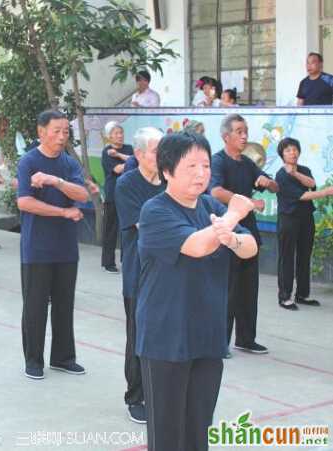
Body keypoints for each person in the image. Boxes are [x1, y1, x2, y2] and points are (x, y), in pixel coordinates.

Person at [137, 131, 257, 451]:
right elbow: (196, 245)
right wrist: (233, 214)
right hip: (166, 337)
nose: (201, 173)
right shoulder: (155, 211)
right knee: (167, 435)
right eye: (191, 166)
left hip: (207, 335)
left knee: (198, 432)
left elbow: (250, 247)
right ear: (167, 171)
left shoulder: (210, 205)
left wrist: (232, 237)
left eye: (205, 165)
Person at [17, 110, 89, 380]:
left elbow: (82, 194)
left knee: (64, 304)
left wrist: (55, 181)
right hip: (37, 248)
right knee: (35, 306)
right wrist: (62, 212)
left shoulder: (69, 164)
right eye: (56, 131)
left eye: (65, 131)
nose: (61, 136)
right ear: (41, 132)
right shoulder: (28, 162)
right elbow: (24, 202)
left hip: (66, 248)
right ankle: (33, 360)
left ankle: (63, 357)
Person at [210, 114, 279, 354]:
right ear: (225, 136)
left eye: (246, 131)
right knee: (227, 289)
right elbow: (216, 191)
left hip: (249, 233)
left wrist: (267, 182)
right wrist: (248, 202)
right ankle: (220, 343)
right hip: (226, 232)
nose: (244, 136)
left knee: (249, 289)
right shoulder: (217, 161)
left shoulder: (247, 163)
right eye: (239, 131)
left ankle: (246, 339)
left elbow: (274, 185)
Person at [114, 127, 164, 424]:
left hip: (169, 273)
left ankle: (159, 392)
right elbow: (144, 228)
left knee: (163, 334)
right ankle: (135, 396)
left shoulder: (170, 181)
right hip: (139, 273)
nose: (161, 157)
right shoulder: (127, 184)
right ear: (140, 154)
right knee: (138, 336)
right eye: (157, 151)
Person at [275, 137, 333, 310]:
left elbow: (312, 184)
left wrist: (295, 173)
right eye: (288, 150)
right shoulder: (280, 175)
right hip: (288, 219)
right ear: (282, 154)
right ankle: (285, 297)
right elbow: (302, 195)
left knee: (304, 256)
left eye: (294, 149)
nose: (292, 153)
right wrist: (327, 192)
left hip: (306, 218)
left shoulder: (304, 170)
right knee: (287, 258)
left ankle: (302, 294)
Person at [101, 121, 134, 273]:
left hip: (129, 194)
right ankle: (108, 263)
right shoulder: (107, 151)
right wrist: (129, 161)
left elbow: (137, 161)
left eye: (121, 132)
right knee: (111, 229)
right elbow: (119, 169)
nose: (119, 136)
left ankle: (126, 260)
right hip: (113, 194)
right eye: (116, 133)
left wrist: (120, 155)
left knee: (128, 228)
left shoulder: (128, 149)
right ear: (109, 136)